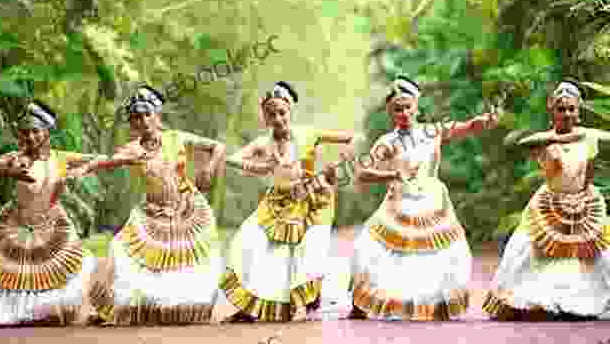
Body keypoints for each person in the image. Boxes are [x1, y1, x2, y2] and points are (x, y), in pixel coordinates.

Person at [348, 75, 500, 321]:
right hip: (398, 203)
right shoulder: (388, 142)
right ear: (390, 112)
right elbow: (361, 173)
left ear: (417, 106)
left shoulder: (433, 132)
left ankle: (431, 303)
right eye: (397, 109)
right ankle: (365, 300)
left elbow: (467, 127)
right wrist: (390, 173)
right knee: (369, 248)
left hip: (432, 202)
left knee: (438, 253)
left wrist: (485, 121)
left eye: (407, 107)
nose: (403, 113)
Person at [74, 85, 226, 325]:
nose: (143, 121)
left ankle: (182, 308)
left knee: (188, 261)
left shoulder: (176, 137)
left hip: (187, 208)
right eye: (137, 118)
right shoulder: (134, 149)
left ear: (157, 116)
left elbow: (218, 147)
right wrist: (88, 167)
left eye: (147, 115)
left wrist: (209, 168)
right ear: (133, 124)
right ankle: (127, 306)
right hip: (153, 211)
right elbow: (109, 160)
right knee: (121, 249)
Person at [212, 81, 354, 322]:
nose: (277, 118)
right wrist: (260, 166)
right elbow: (233, 160)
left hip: (308, 199)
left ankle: (306, 298)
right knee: (247, 242)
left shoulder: (309, 134)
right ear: (265, 117)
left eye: (282, 112)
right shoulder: (263, 143)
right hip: (276, 202)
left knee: (305, 252)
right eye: (271, 114)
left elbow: (349, 137)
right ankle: (252, 305)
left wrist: (343, 158)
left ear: (290, 111)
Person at [0, 100, 98, 325]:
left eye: (35, 131)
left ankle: (45, 312)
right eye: (25, 132)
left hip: (51, 222)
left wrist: (82, 170)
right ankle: (0, 311)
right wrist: (11, 171)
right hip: (14, 220)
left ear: (47, 132)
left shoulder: (60, 158)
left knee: (76, 264)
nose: (30, 137)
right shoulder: (15, 157)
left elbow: (98, 159)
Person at [483, 80, 610, 321]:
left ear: (578, 112)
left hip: (583, 201)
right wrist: (562, 139)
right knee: (529, 249)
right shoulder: (543, 141)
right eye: (561, 109)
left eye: (572, 109)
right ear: (552, 112)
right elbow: (521, 143)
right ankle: (539, 300)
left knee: (597, 253)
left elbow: (590, 168)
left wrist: (583, 192)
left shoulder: (589, 139)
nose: (567, 114)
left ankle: (583, 300)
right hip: (550, 201)